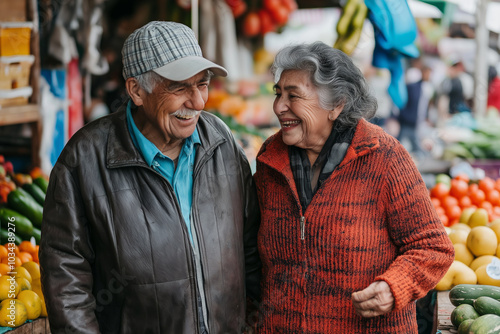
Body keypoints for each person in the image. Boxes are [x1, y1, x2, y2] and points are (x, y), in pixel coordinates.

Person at [39, 21, 261, 334]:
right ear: (136, 90)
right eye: (180, 87)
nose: (197, 102)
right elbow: (66, 278)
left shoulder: (221, 142)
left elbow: (251, 251)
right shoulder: (84, 160)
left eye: (202, 84)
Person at [253, 42, 454, 333]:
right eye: (278, 94)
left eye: (293, 96)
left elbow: (433, 246)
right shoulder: (269, 159)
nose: (279, 106)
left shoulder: (384, 156)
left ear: (336, 104)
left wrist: (392, 287)